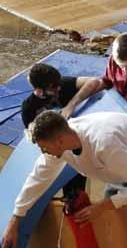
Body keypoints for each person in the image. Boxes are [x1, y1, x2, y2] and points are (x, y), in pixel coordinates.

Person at [0, 110, 127, 248]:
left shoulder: (104, 144)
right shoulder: (60, 143)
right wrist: (15, 218)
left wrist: (102, 206)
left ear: (59, 141)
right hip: (123, 165)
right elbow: (38, 178)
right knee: (110, 222)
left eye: (44, 147)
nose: (43, 152)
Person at [21, 63, 91, 199]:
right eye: (53, 88)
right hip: (55, 153)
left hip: (75, 147)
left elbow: (97, 81)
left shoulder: (61, 84)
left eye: (58, 84)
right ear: (39, 91)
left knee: (76, 194)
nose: (58, 88)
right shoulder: (29, 108)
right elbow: (36, 142)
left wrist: (71, 105)